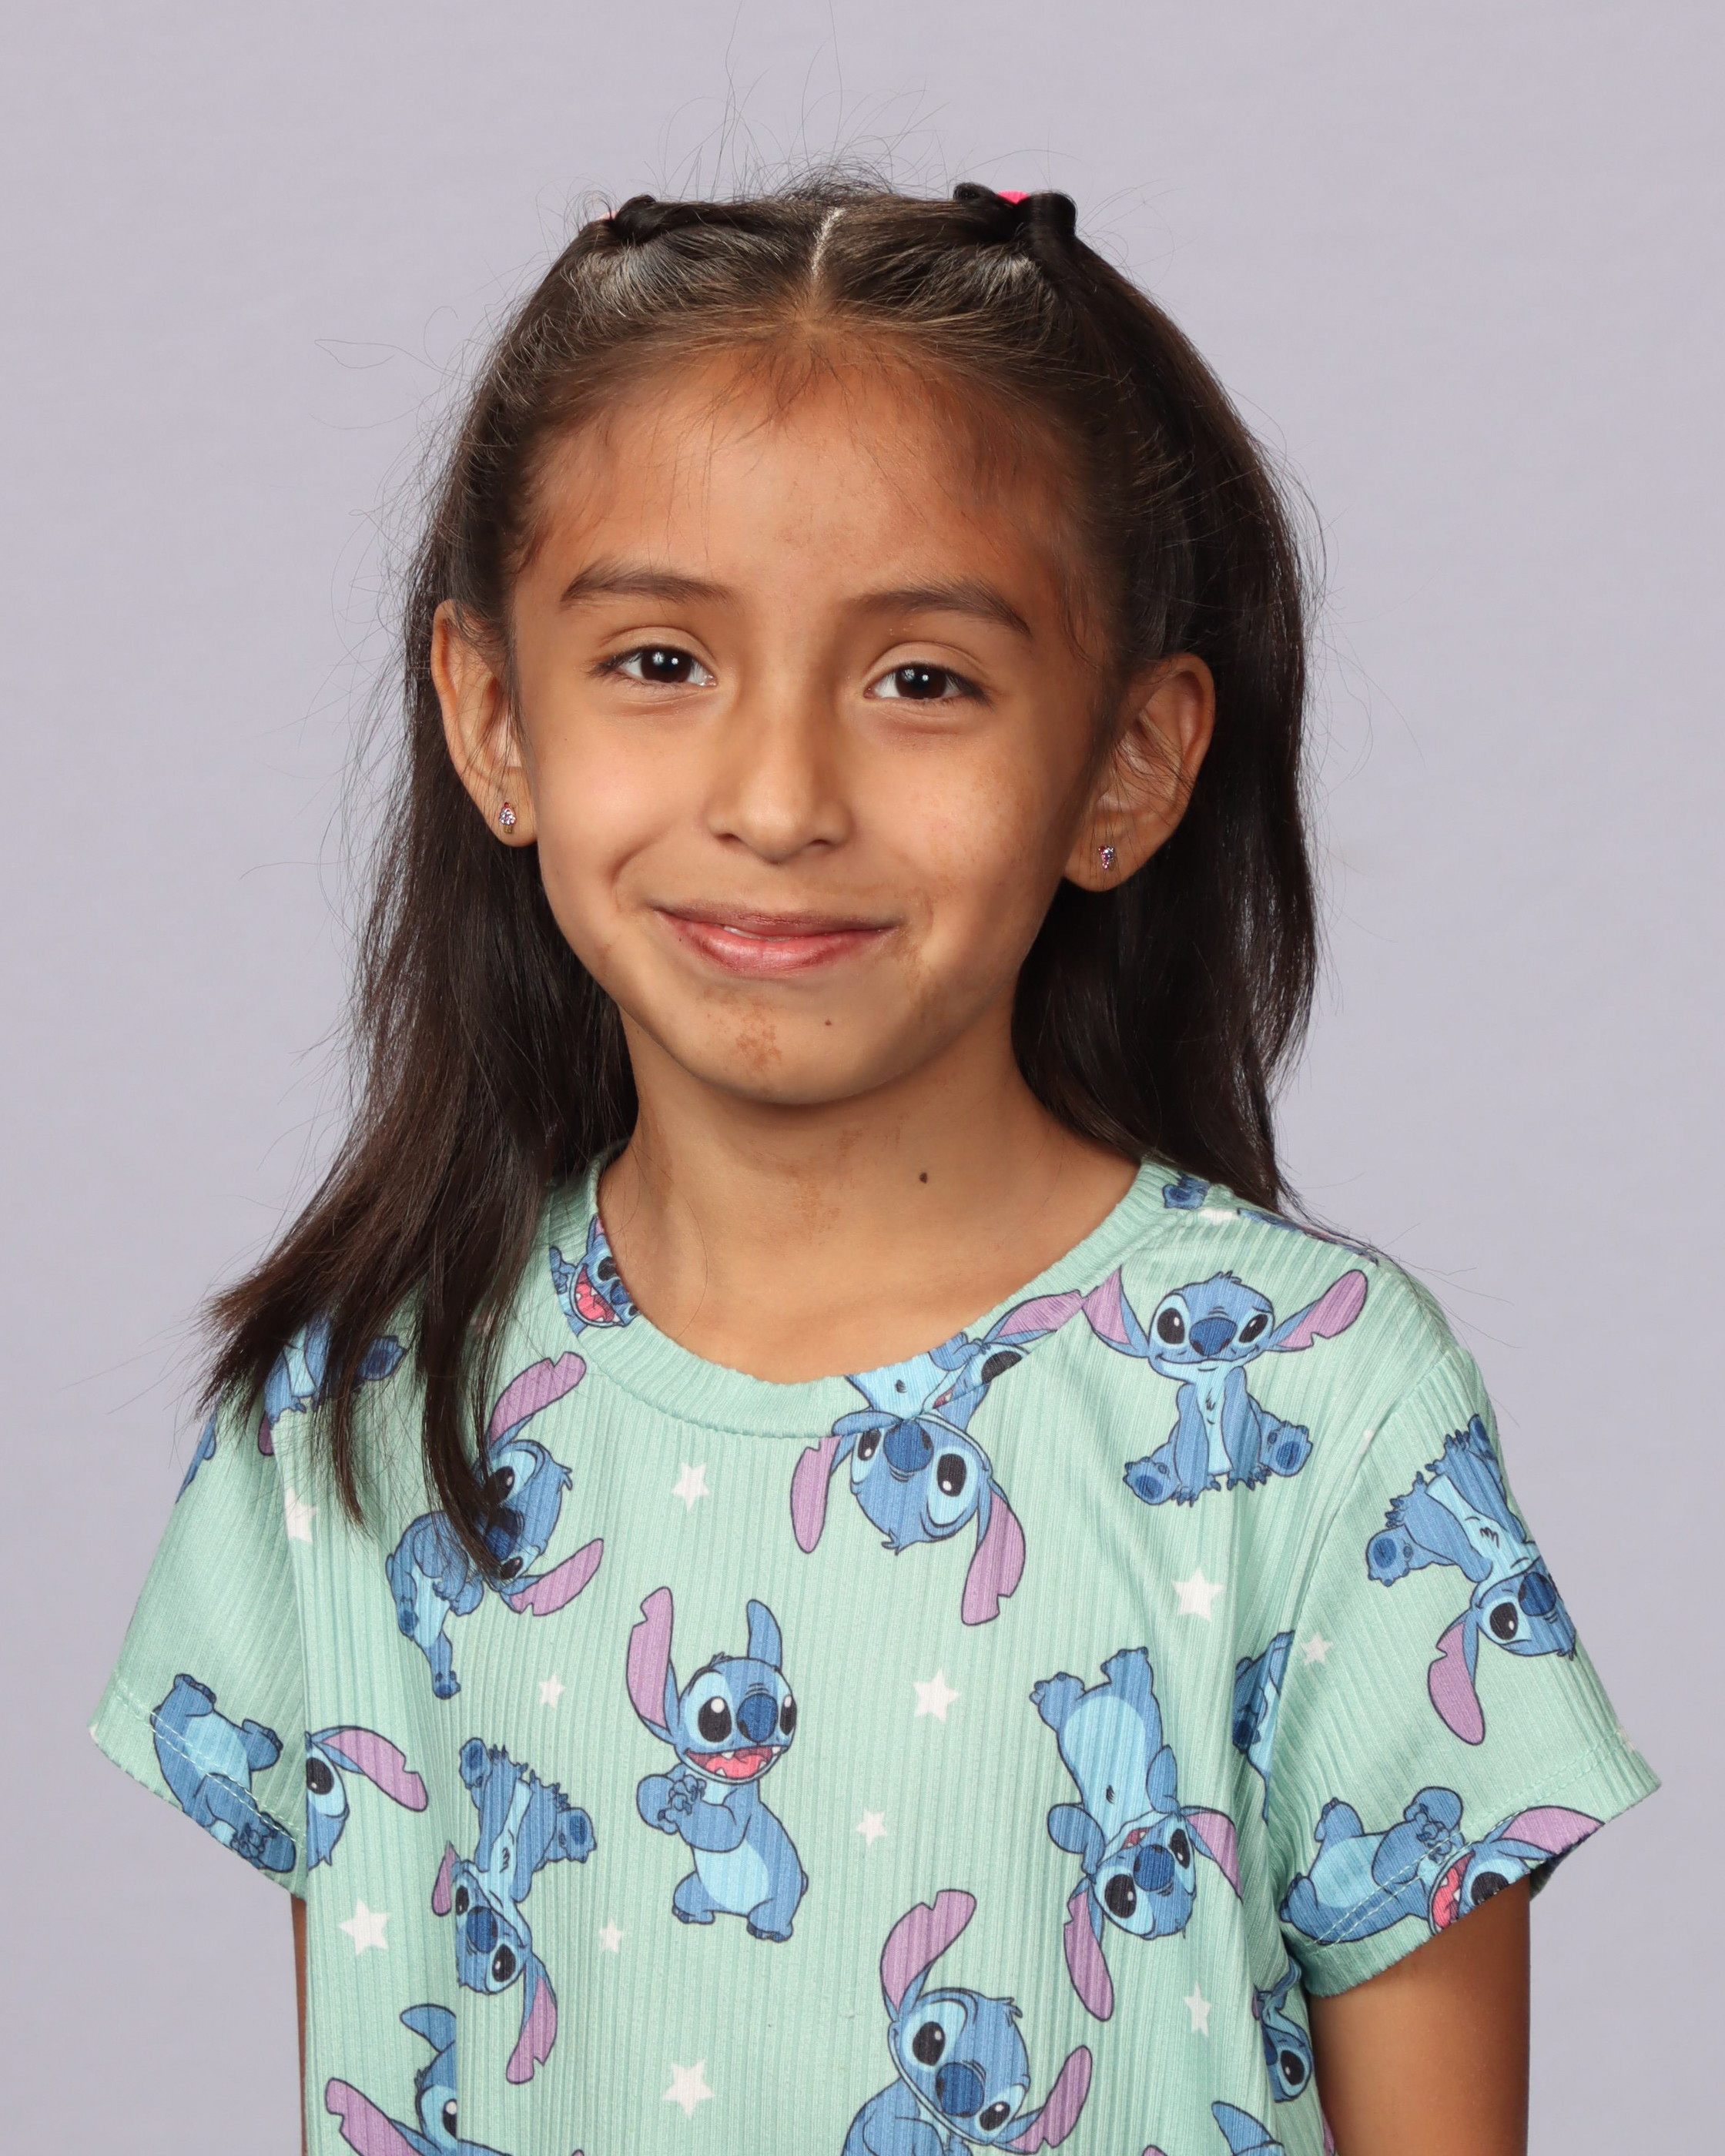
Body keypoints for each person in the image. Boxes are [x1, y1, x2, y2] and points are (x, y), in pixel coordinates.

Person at [92, 178, 1657, 2156]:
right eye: (659, 659)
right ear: (492, 718)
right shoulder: (362, 1412)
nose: (778, 800)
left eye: (921, 678)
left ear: (1128, 761)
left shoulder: (1318, 1408)